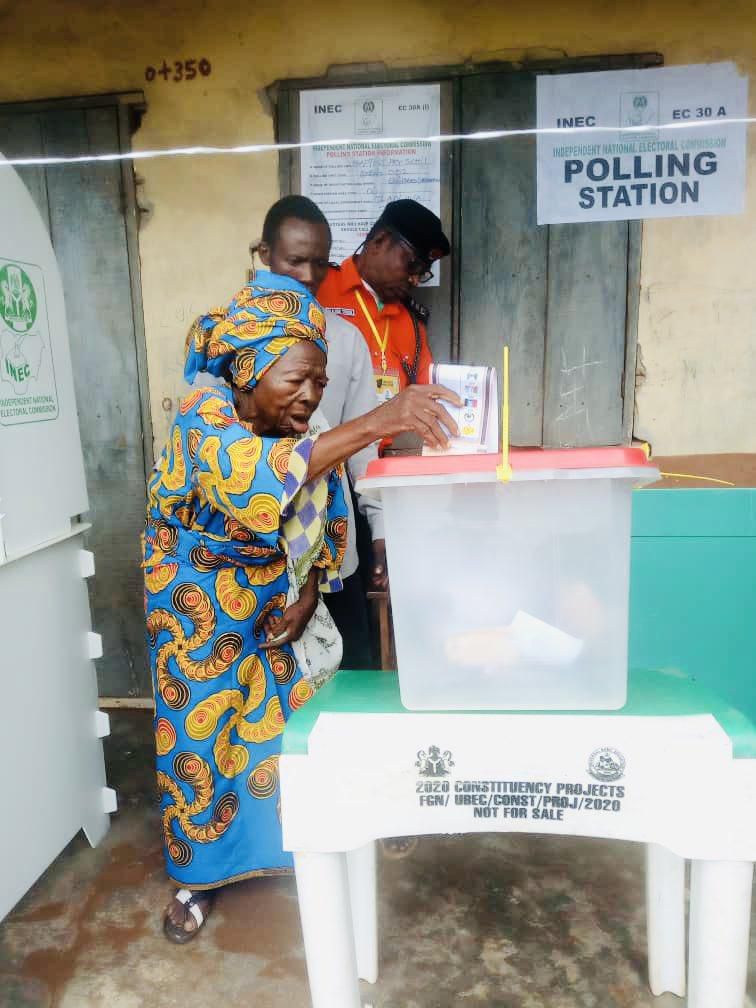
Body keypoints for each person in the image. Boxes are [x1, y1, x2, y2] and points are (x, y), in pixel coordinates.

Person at [144, 267, 460, 942]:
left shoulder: (301, 427)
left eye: (319, 381)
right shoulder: (204, 416)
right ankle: (198, 879)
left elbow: (324, 507)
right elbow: (255, 480)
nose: (311, 396)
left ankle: (284, 852)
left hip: (274, 602)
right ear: (249, 371)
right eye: (297, 380)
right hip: (195, 606)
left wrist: (309, 590)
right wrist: (380, 418)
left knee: (277, 731)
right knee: (202, 740)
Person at [318, 198, 451, 403]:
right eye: (412, 266)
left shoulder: (412, 323)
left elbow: (426, 396)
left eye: (422, 273)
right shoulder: (318, 287)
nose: (415, 280)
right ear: (379, 241)